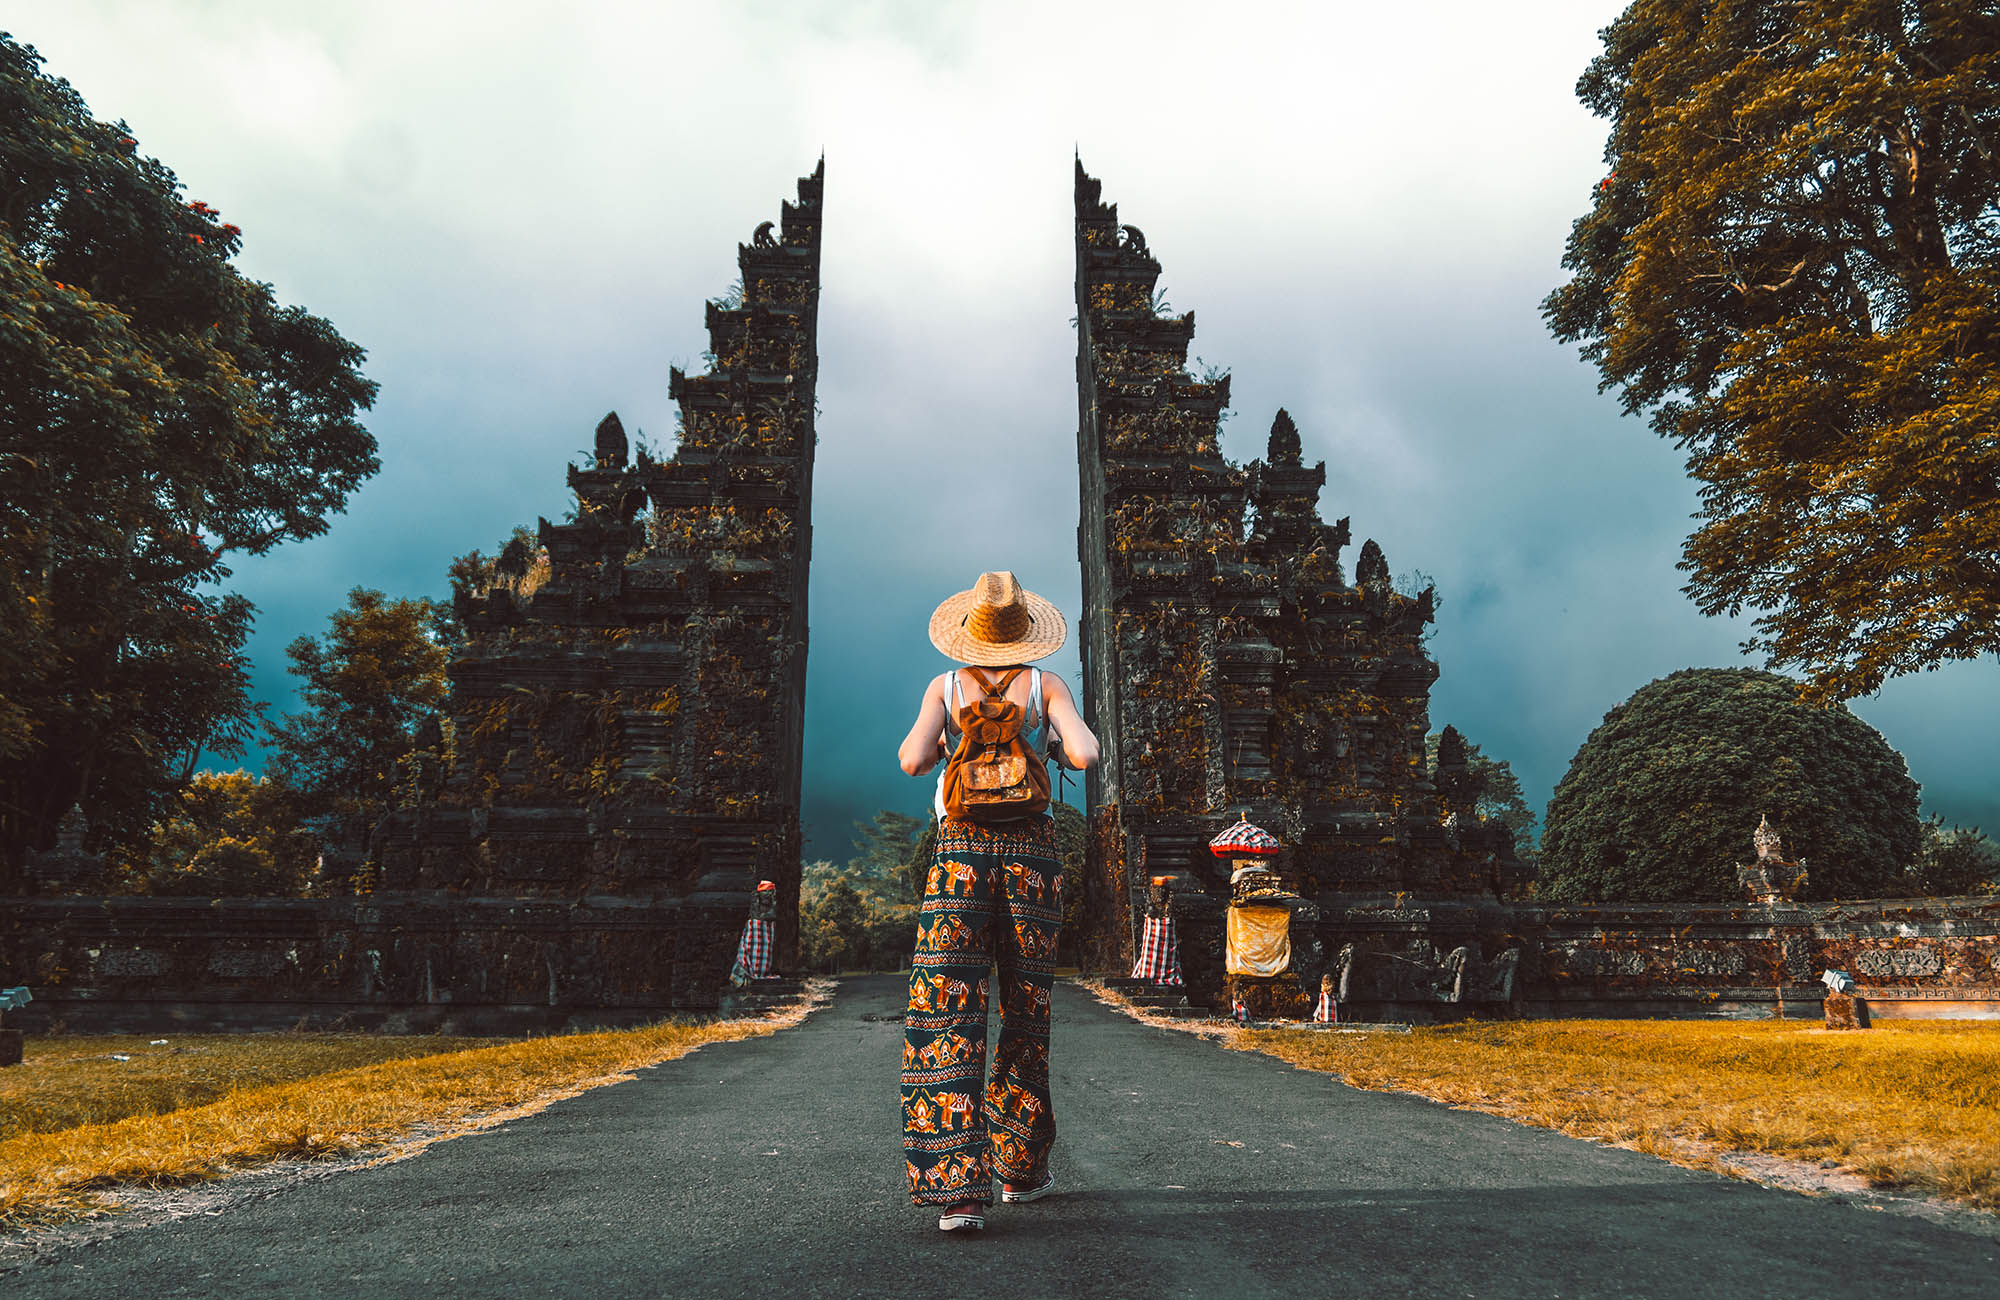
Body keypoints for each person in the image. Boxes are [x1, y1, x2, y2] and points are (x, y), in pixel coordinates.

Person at [896, 570, 1099, 1234]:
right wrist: (1049, 743)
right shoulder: (1045, 685)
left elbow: (910, 760)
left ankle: (958, 1194)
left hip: (958, 855)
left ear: (968, 634)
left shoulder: (945, 686)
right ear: (1026, 633)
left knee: (946, 1006)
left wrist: (949, 753)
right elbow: (1086, 751)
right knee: (1025, 1008)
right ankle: (1020, 1171)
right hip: (1033, 859)